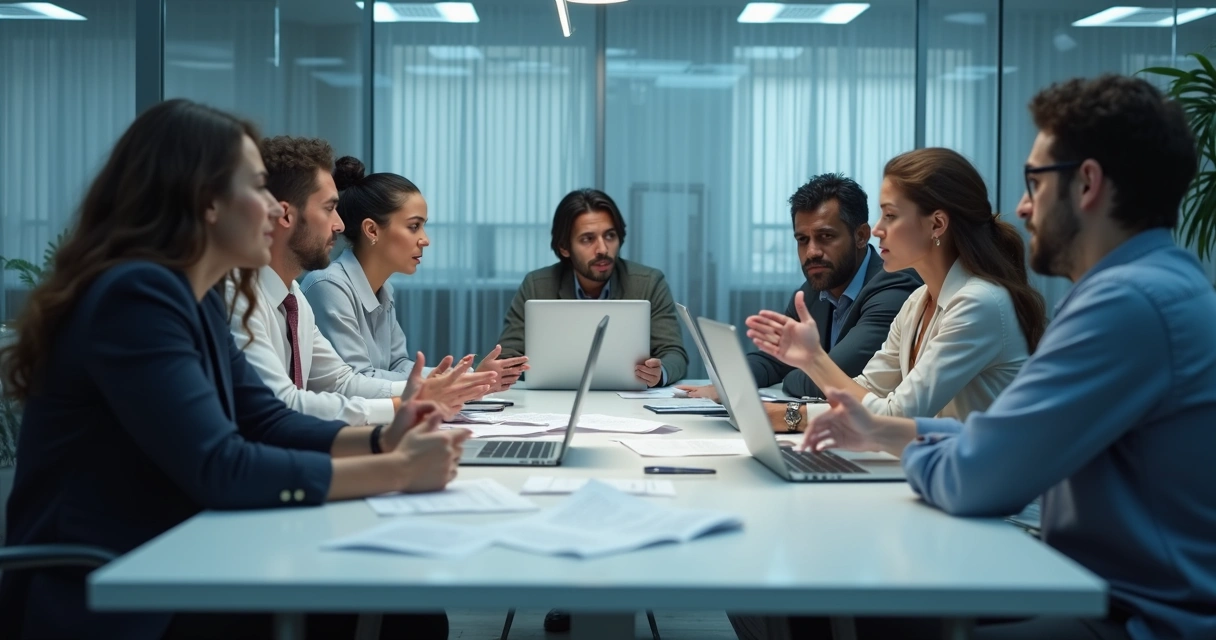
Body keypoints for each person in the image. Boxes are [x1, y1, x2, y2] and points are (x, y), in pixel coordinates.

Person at [0, 99, 468, 639]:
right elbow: (221, 465)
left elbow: (265, 418)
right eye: (257, 187)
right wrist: (398, 471)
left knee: (404, 610)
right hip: (113, 583)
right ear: (207, 203)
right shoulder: (136, 296)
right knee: (395, 612)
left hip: (178, 550)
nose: (273, 210)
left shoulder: (190, 297)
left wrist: (385, 439)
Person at [794, 75, 1216, 639]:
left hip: (1132, 615)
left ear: (1088, 183)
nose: (1021, 206)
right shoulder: (1155, 285)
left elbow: (979, 475)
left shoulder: (1126, 304)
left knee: (856, 600)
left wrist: (902, 441)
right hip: (1098, 585)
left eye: (1034, 182)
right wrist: (884, 431)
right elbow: (998, 438)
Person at [745, 149, 1046, 435]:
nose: (876, 229)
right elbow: (868, 391)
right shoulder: (917, 302)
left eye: (889, 215)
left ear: (937, 224)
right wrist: (787, 416)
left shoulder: (978, 303)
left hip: (978, 470)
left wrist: (812, 362)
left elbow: (895, 415)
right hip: (934, 460)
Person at [230, 137, 496, 426]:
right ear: (285, 215)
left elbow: (341, 381)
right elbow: (283, 404)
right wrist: (409, 403)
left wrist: (428, 392)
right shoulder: (238, 298)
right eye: (329, 208)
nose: (340, 224)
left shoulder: (293, 298)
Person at [679, 174, 920, 407]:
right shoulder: (814, 289)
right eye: (802, 240)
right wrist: (729, 383)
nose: (812, 252)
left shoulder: (893, 287)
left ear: (861, 236)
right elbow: (774, 358)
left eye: (826, 236)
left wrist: (793, 373)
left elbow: (825, 382)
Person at [301, 156, 527, 393]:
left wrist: (468, 377)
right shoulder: (328, 285)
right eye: (413, 226)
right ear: (372, 230)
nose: (425, 240)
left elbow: (398, 364)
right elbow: (357, 379)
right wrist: (453, 384)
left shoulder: (384, 289)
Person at [497, 188, 688, 387]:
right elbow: (508, 354)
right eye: (588, 239)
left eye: (610, 236)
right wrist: (508, 370)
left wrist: (659, 373)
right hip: (554, 398)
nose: (603, 249)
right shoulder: (537, 286)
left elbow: (673, 353)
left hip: (628, 400)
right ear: (564, 247)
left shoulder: (649, 283)